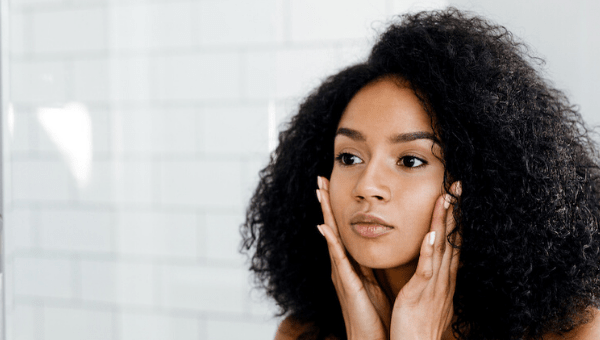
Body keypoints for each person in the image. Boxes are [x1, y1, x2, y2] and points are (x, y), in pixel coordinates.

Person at [242, 8, 600, 340]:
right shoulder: (303, 333)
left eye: (410, 161)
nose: (367, 187)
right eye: (349, 158)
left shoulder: (572, 333)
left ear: (478, 181)